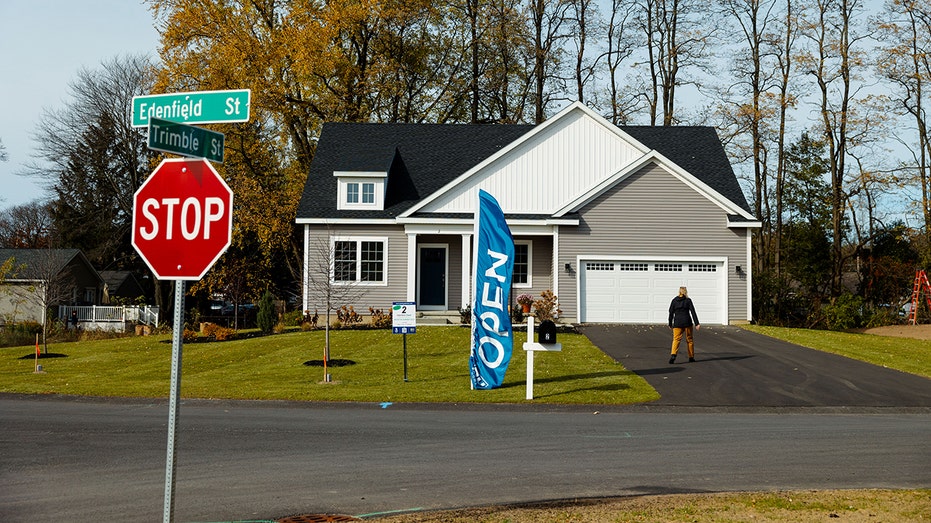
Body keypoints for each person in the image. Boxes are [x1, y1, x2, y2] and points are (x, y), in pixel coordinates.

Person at [668, 286, 699, 364]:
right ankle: (691, 357)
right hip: (687, 322)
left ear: (679, 292)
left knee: (676, 339)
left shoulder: (674, 301)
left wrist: (670, 323)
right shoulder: (688, 300)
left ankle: (673, 355)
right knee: (689, 340)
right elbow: (693, 311)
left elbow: (671, 312)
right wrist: (697, 323)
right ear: (686, 292)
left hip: (677, 323)